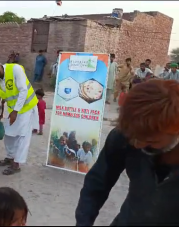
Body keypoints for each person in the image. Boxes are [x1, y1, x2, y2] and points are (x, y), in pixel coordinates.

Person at [75, 79, 179, 226]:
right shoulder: (125, 135)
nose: (137, 144)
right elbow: (97, 183)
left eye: (150, 141)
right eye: (133, 138)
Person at [0, 58, 39, 175]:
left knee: (22, 135)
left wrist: (15, 112)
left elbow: (23, 91)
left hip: (27, 107)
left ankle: (16, 163)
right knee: (8, 133)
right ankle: (10, 157)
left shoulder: (15, 69)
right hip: (14, 109)